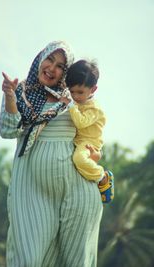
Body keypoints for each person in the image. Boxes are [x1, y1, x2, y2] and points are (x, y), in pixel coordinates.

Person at [0, 41, 103, 267]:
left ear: (66, 72)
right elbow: (8, 131)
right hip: (34, 192)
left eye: (60, 66)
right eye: (50, 60)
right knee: (30, 259)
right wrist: (9, 97)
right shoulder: (20, 93)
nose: (52, 68)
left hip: (78, 191)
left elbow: (93, 134)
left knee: (76, 261)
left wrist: (96, 156)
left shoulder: (74, 98)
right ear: (40, 59)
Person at [60, 59, 114, 203]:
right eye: (72, 92)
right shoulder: (77, 101)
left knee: (79, 159)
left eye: (80, 92)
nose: (75, 96)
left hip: (88, 144)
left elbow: (81, 122)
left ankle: (102, 177)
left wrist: (71, 105)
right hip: (78, 142)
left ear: (93, 89)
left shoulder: (94, 108)